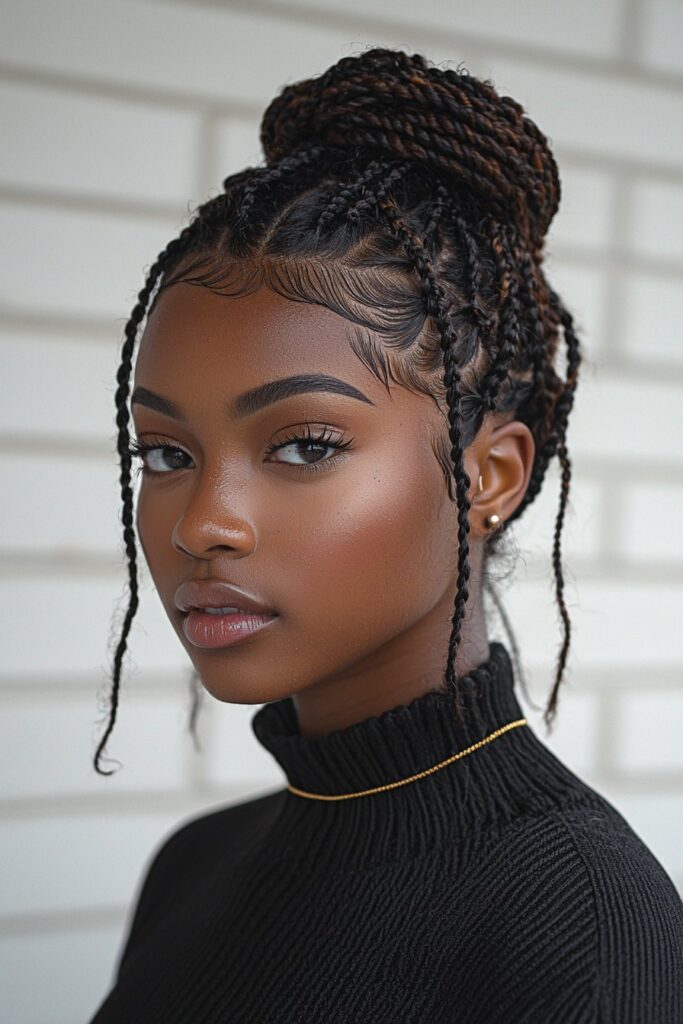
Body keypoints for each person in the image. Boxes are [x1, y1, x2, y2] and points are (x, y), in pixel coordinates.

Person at [88, 47, 682, 1023]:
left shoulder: (577, 925)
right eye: (164, 454)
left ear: (488, 475)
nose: (202, 523)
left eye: (304, 444)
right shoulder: (192, 867)